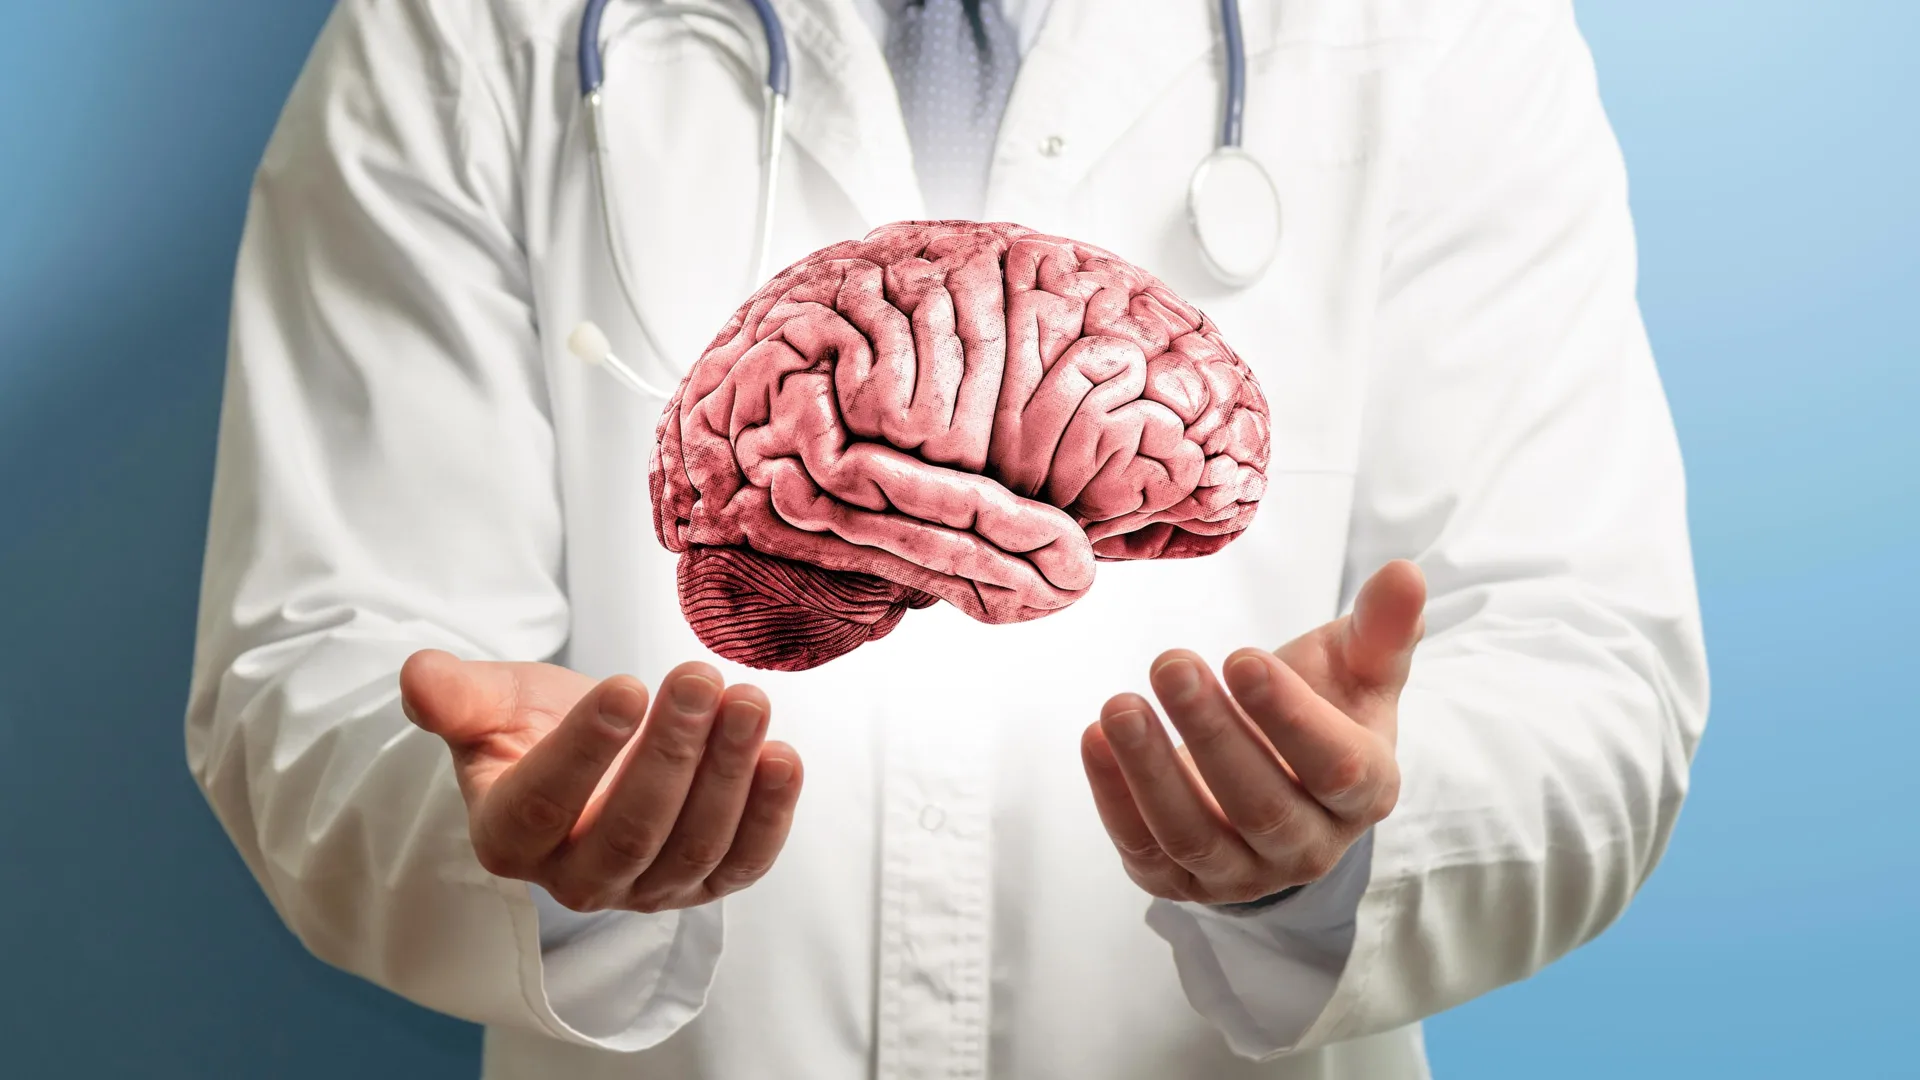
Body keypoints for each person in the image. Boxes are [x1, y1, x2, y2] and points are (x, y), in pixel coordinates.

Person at [184, 0, 1708, 1077]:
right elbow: (320, 670)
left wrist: (1330, 849)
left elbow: (1585, 670)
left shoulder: (1442, 28)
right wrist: (521, 851)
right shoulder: (467, 27)